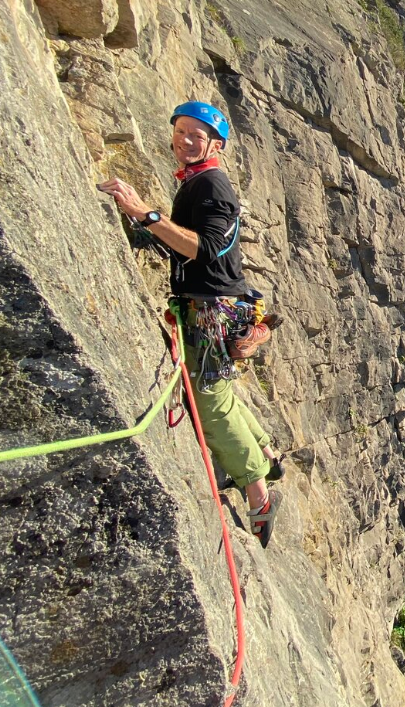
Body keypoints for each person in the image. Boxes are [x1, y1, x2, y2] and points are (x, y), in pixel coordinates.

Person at [98, 101, 284, 547]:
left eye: (195, 136)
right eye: (180, 131)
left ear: (214, 144)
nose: (184, 141)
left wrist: (146, 214)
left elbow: (205, 248)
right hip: (212, 302)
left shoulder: (212, 186)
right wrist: (146, 226)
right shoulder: (196, 181)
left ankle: (259, 496)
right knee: (218, 391)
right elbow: (188, 245)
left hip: (210, 309)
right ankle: (265, 452)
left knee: (209, 401)